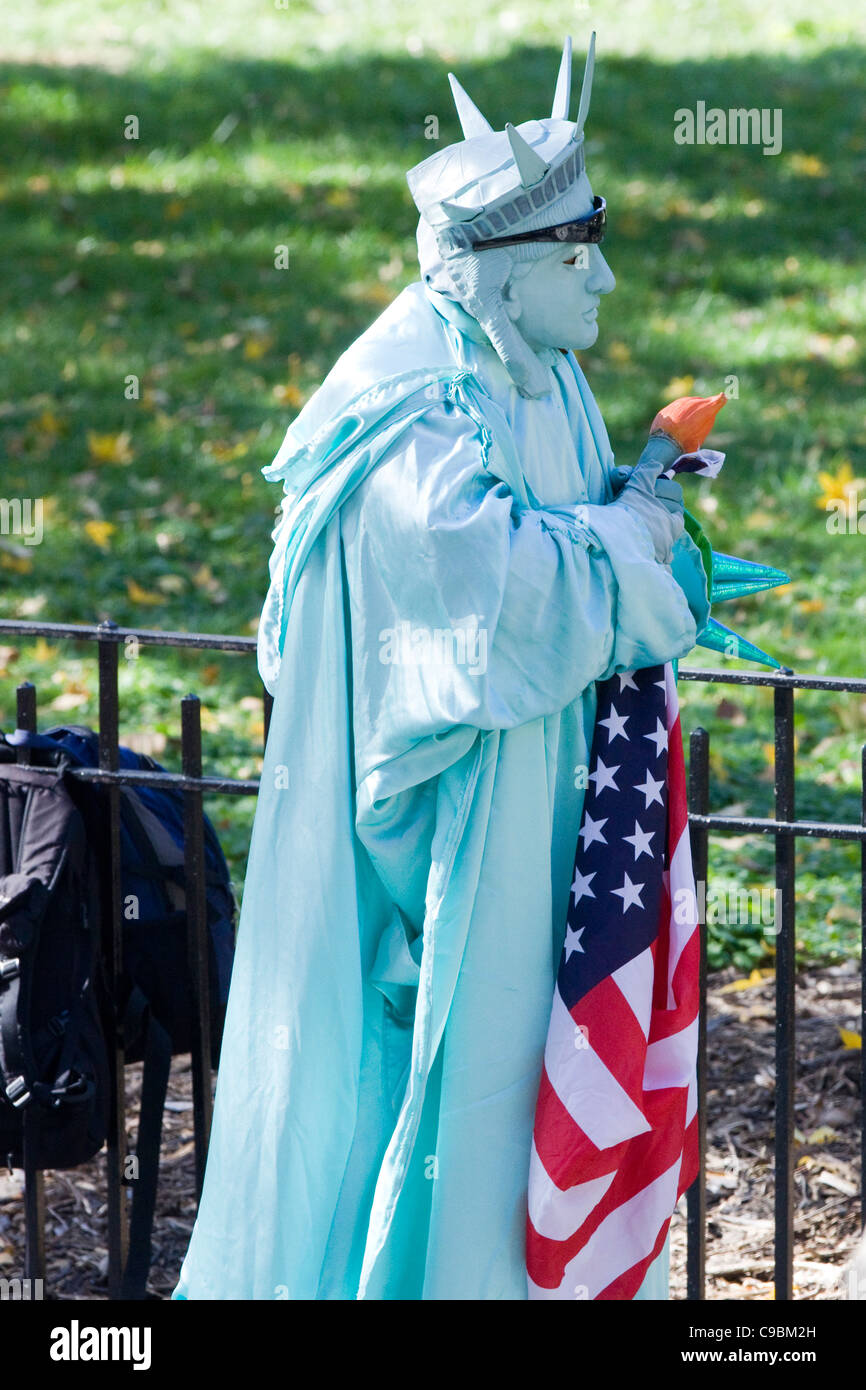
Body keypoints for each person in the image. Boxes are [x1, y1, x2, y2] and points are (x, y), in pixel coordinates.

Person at [172, 33, 710, 1301]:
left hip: (535, 796)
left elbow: (561, 549)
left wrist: (632, 498)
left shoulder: (539, 365)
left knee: (511, 1079)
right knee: (430, 1100)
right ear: (508, 266)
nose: (608, 282)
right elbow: (504, 598)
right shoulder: (411, 408)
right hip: (456, 833)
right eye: (582, 258)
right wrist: (637, 533)